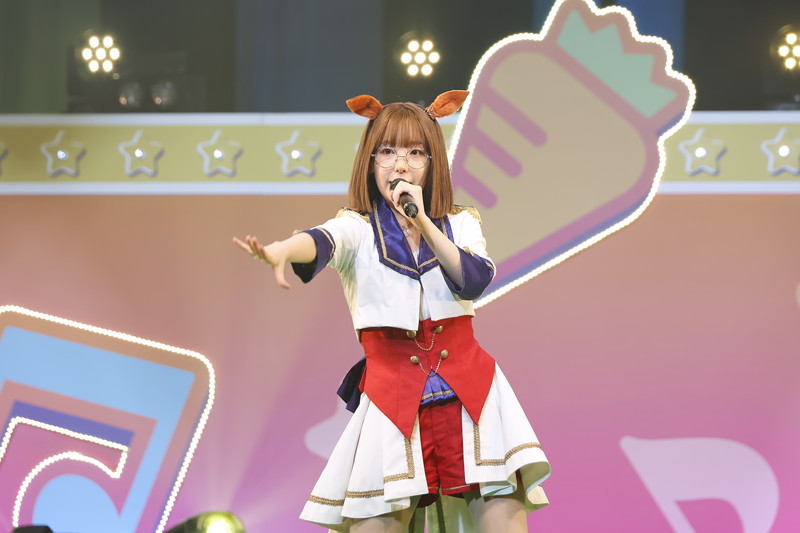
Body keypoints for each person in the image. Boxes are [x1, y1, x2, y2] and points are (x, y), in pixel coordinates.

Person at [234, 90, 550, 532]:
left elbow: (474, 279)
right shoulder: (357, 229)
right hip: (392, 403)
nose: (400, 165)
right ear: (370, 162)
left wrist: (423, 221)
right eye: (387, 152)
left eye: (415, 153)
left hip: (473, 398)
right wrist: (281, 250)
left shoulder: (461, 222)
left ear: (432, 163)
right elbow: (322, 240)